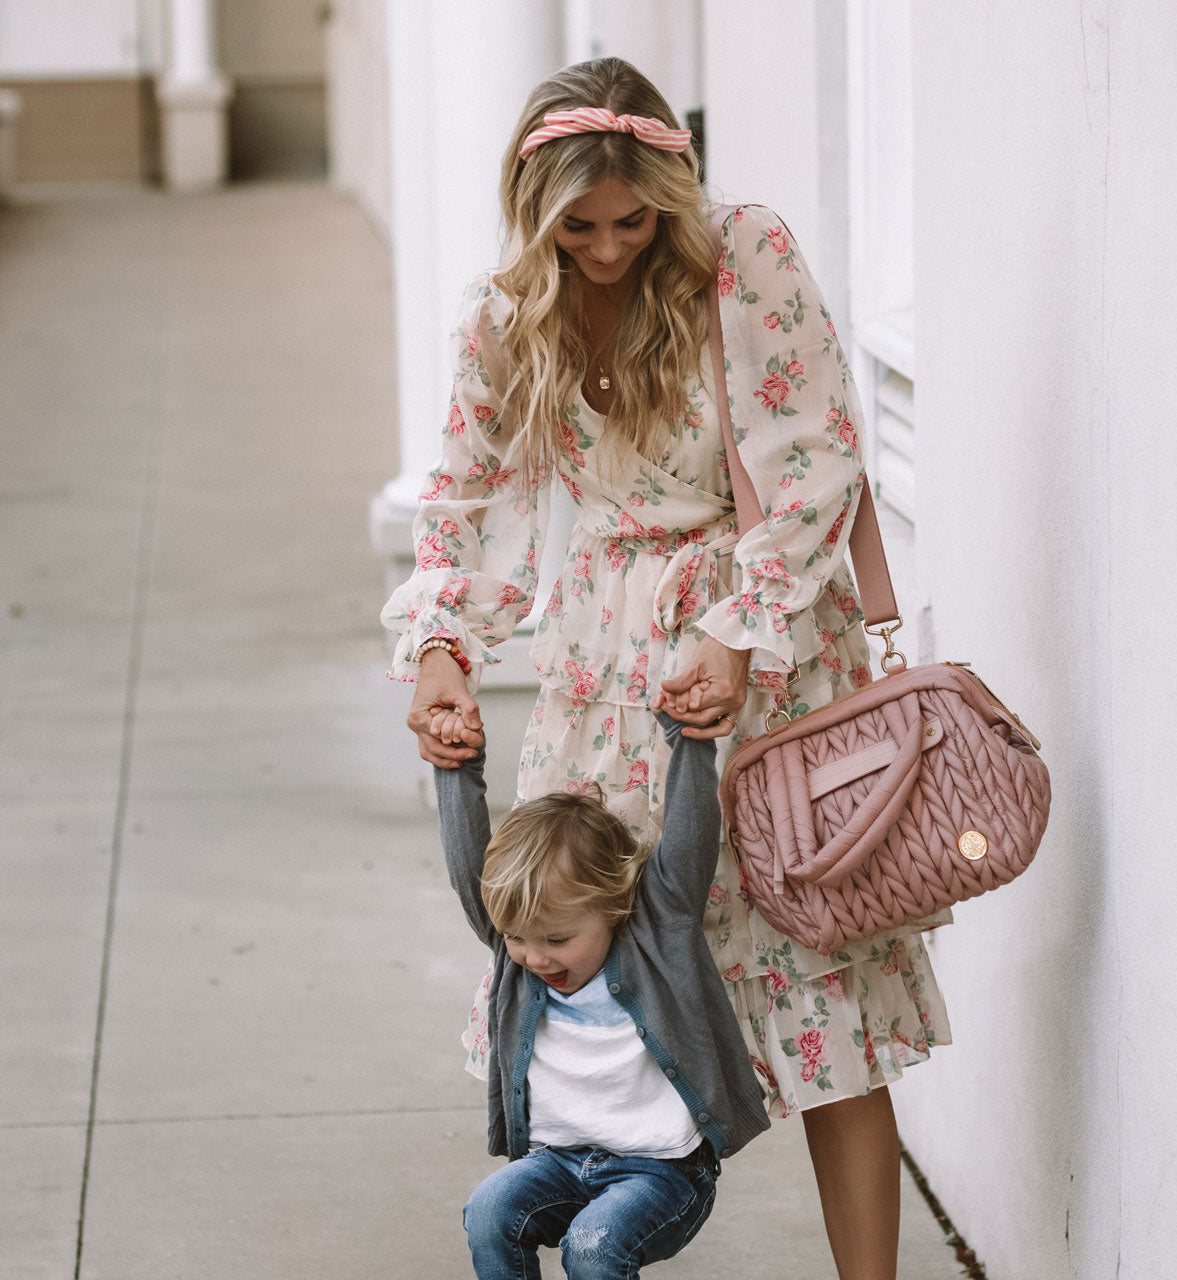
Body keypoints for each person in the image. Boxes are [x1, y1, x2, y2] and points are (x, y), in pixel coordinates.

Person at [382, 57, 952, 1280]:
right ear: (534, 209)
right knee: (606, 981)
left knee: (821, 996)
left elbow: (814, 456)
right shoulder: (503, 314)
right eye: (576, 226)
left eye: (631, 221)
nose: (603, 249)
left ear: (670, 193)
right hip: (599, 668)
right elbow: (464, 498)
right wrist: (442, 648)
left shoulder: (736, 256)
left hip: (764, 646)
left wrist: (738, 628)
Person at [435, 708, 767, 1277]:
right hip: (560, 1164)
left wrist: (690, 742)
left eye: (558, 939)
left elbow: (688, 841)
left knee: (593, 1245)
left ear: (613, 906)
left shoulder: (657, 934)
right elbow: (472, 868)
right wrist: (457, 766)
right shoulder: (515, 951)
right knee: (490, 1210)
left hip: (663, 1172)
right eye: (517, 938)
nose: (535, 958)